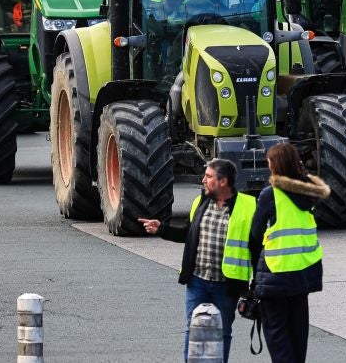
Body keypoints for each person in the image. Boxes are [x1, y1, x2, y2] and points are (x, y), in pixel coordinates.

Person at [139, 158, 255, 362]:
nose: (203, 180)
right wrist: (162, 229)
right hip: (197, 281)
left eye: (208, 176)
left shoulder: (248, 206)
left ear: (223, 182)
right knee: (193, 329)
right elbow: (188, 234)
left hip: (227, 284)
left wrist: (255, 286)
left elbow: (257, 247)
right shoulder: (199, 202)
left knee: (223, 331)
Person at [249, 144, 329, 363]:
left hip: (276, 276)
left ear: (276, 165)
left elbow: (255, 235)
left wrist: (253, 278)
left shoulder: (270, 194)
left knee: (278, 338)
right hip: (303, 276)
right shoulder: (310, 194)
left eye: (269, 162)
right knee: (297, 337)